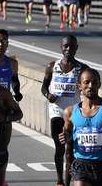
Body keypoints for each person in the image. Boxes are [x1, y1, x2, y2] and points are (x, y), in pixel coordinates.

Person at [60, 68, 102, 186]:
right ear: (79, 86)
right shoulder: (70, 112)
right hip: (81, 165)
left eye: (94, 82)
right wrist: (66, 138)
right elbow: (68, 148)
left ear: (99, 84)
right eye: (86, 82)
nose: (90, 85)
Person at [41, 35, 86, 186]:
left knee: (70, 150)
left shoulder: (82, 69)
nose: (68, 49)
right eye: (66, 46)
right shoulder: (51, 66)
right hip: (56, 112)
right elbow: (44, 87)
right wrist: (48, 95)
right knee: (60, 148)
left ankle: (68, 181)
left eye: (72, 47)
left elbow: (89, 88)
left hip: (73, 114)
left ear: (77, 48)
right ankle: (60, 180)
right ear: (61, 47)